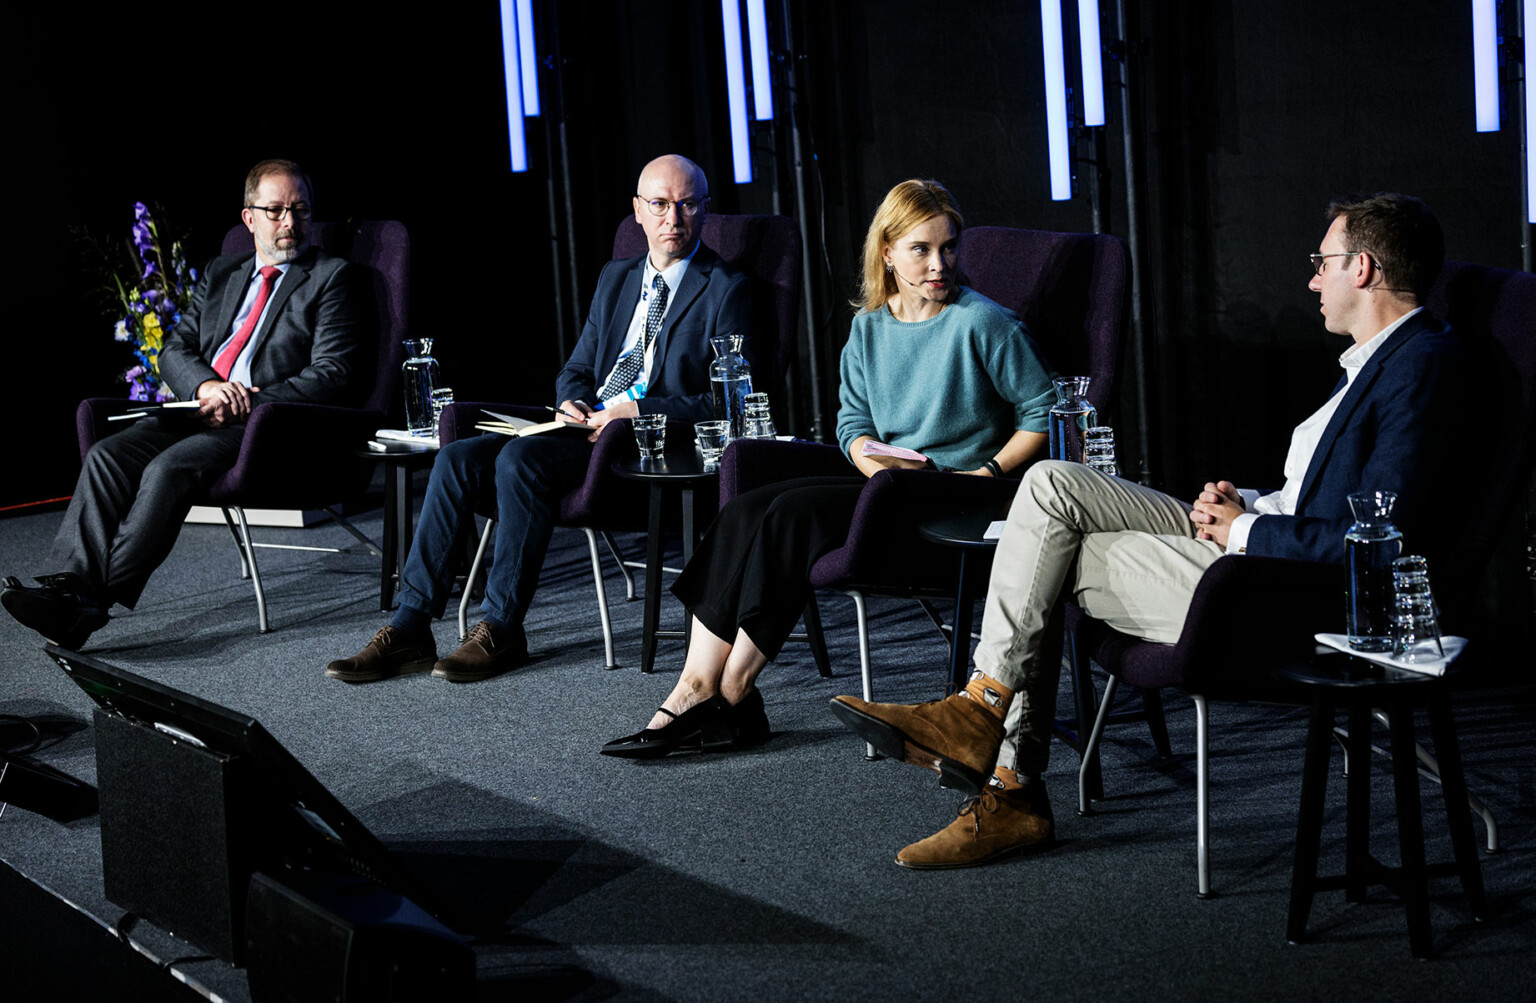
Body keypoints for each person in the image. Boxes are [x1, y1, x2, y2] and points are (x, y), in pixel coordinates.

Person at [830, 192, 1463, 870]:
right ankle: (984, 718)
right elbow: (1322, 497)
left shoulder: (1416, 365)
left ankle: (1006, 778)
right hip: (1256, 539)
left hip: (1283, 590)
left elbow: (1378, 536)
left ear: (1362, 269)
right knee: (1049, 486)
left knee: (1047, 551)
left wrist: (1244, 528)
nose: (1313, 278)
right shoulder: (1371, 364)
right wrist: (1247, 501)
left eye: (1323, 262)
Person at [600, 179, 1055, 758]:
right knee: (744, 509)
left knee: (793, 514)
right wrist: (866, 451)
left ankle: (733, 693)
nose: (939, 264)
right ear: (887, 252)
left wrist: (987, 473)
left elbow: (1046, 411)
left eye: (949, 247)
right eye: (921, 249)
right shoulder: (868, 328)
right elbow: (850, 423)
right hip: (887, 482)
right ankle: (696, 685)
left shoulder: (985, 323)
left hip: (953, 495)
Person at [326, 154, 758, 684]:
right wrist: (571, 401)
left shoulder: (726, 287)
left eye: (688, 204)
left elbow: (726, 402)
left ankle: (502, 629)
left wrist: (636, 409)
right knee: (458, 457)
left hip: (642, 442)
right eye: (661, 204)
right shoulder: (617, 277)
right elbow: (577, 367)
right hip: (583, 428)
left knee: (520, 459)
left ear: (705, 210)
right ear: (638, 212)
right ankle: (411, 625)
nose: (674, 217)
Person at [2, 160, 366, 649]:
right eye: (276, 210)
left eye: (300, 210)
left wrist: (245, 400)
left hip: (264, 424)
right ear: (249, 217)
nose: (290, 222)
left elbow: (333, 374)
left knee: (168, 467)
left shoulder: (330, 277)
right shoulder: (222, 274)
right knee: (108, 456)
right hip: (198, 407)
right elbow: (174, 349)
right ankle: (71, 585)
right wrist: (205, 389)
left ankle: (89, 601)